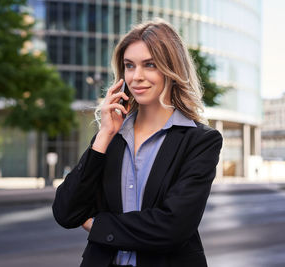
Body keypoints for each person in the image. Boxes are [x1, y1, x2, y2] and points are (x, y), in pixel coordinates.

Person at [52, 18, 223, 267]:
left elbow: (173, 227)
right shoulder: (112, 136)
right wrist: (103, 135)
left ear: (171, 68)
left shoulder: (200, 141)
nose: (136, 76)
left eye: (149, 65)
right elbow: (66, 211)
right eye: (129, 66)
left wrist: (98, 225)